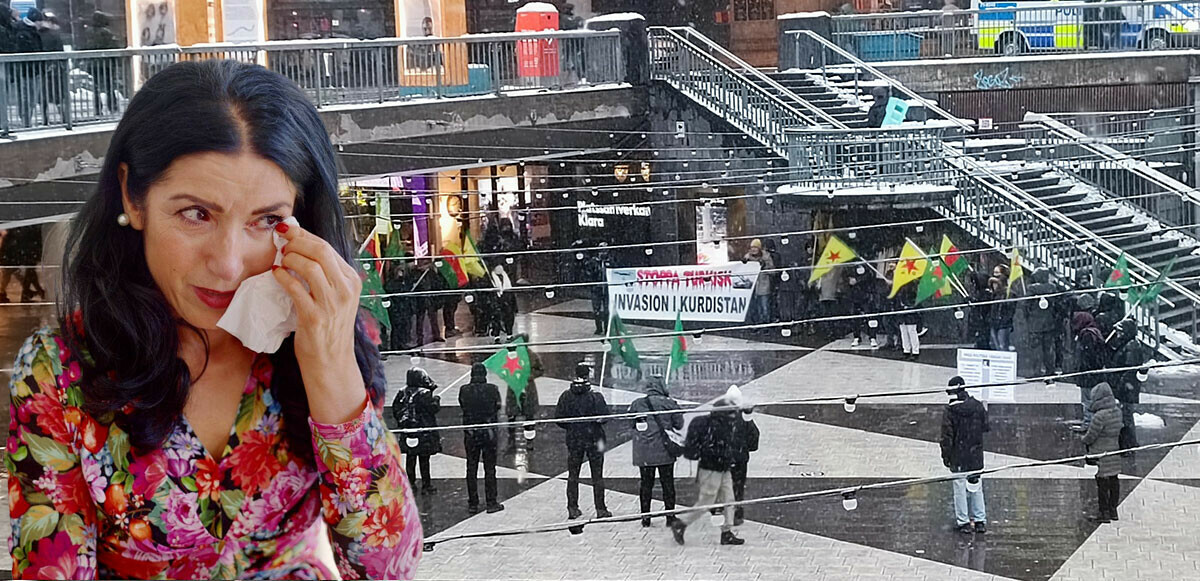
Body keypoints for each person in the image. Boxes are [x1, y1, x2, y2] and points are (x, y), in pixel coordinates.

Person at [5, 60, 421, 579]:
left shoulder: (319, 335)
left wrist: (331, 365)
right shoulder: (59, 372)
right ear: (134, 197)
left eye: (268, 220)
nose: (227, 263)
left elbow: (386, 568)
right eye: (196, 214)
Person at [671, 387, 745, 546]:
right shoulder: (716, 426)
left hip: (723, 468)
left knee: (729, 499)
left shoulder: (720, 423)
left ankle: (727, 531)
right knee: (707, 502)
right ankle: (681, 524)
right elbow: (712, 447)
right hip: (711, 468)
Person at [555, 363, 612, 519]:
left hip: (574, 439)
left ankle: (572, 507)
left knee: (573, 475)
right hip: (594, 439)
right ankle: (600, 509)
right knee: (597, 475)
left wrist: (573, 427)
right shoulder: (595, 396)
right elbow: (604, 418)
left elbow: (559, 419)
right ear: (588, 376)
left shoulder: (566, 396)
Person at [629, 376, 683, 528]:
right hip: (664, 450)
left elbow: (631, 423)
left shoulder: (637, 404)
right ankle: (670, 516)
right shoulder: (670, 404)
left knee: (646, 484)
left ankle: (645, 517)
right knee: (668, 484)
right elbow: (679, 424)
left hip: (643, 451)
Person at [940, 376, 989, 534]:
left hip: (958, 456)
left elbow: (946, 438)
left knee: (960, 489)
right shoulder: (977, 406)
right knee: (975, 487)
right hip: (975, 455)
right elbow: (985, 427)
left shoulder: (950, 411)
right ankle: (980, 520)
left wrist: (946, 457)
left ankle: (964, 522)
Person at [459, 363, 505, 514]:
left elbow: (463, 405)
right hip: (488, 432)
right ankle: (491, 501)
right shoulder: (492, 389)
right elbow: (497, 406)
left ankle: (473, 502)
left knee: (471, 468)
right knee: (490, 468)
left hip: (471, 433)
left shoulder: (464, 390)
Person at [392, 367, 442, 495]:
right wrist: (436, 400)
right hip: (423, 431)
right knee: (424, 459)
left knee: (411, 457)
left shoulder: (402, 392)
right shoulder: (424, 393)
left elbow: (395, 408)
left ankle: (411, 483)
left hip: (408, 430)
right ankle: (426, 485)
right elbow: (432, 409)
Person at [1080, 382, 1124, 523]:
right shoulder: (1117, 411)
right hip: (1114, 450)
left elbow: (1091, 435)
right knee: (1114, 481)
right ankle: (1113, 510)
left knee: (1102, 484)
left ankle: (1103, 512)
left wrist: (1083, 439)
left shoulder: (1099, 416)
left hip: (1099, 453)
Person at [1107, 319, 1146, 450]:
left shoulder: (1131, 347)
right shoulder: (1128, 344)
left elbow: (1129, 370)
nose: (1118, 334)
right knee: (1126, 416)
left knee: (1126, 417)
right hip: (1126, 387)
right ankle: (1129, 443)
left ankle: (1127, 445)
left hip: (1126, 388)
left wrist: (1120, 386)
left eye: (1120, 332)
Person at [1072, 312, 1108, 432]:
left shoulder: (1086, 335)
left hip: (1087, 374)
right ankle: (1094, 423)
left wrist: (1083, 368)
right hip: (1094, 373)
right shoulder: (1095, 332)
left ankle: (1089, 424)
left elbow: (1088, 355)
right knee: (1093, 399)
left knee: (1087, 400)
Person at [729, 388, 760, 526]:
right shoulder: (744, 418)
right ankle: (738, 513)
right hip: (740, 457)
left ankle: (721, 512)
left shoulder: (717, 417)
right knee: (738, 485)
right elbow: (754, 436)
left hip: (723, 458)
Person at [505, 339, 542, 451]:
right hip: (515, 389)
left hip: (527, 389)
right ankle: (511, 441)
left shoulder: (532, 356)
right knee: (512, 416)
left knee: (529, 416)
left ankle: (529, 441)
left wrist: (529, 376)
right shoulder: (511, 357)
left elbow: (540, 370)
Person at [1026, 268, 1063, 376]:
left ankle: (1036, 371)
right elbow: (1057, 304)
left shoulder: (1031, 289)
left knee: (1036, 349)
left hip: (1034, 324)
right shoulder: (1052, 288)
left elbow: (1026, 305)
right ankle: (1050, 371)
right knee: (1049, 349)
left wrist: (1029, 317)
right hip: (1049, 323)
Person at [85, 11, 123, 116]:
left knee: (96, 87)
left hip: (94, 64)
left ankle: (98, 109)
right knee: (109, 86)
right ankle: (113, 107)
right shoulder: (106, 33)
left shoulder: (89, 33)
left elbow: (87, 47)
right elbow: (113, 46)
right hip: (106, 64)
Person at [745, 239, 774, 330]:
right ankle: (756, 325)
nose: (753, 249)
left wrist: (765, 266)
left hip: (764, 286)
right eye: (752, 247)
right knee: (754, 308)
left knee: (764, 307)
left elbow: (773, 271)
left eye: (755, 247)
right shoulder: (747, 258)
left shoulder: (766, 257)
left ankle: (766, 325)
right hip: (751, 287)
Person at [846, 265, 878, 348]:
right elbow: (847, 277)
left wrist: (857, 280)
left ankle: (873, 337)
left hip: (867, 296)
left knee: (871, 318)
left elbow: (871, 275)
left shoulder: (868, 265)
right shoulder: (852, 267)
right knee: (856, 318)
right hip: (855, 296)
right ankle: (856, 337)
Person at [988, 275, 1015, 351]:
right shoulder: (995, 294)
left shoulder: (1009, 294)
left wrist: (1004, 319)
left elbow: (1011, 309)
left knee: (1002, 346)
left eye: (996, 283)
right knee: (994, 345)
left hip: (1004, 324)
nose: (994, 285)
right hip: (994, 322)